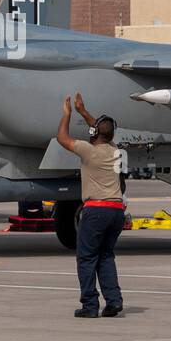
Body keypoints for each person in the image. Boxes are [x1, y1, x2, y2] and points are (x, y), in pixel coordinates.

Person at [57, 91, 125, 318]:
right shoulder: (116, 151)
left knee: (86, 258)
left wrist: (67, 114)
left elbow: (62, 138)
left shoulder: (89, 151)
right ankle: (114, 301)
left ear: (94, 133)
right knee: (105, 256)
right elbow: (101, 131)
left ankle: (90, 305)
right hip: (116, 212)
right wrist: (83, 112)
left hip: (96, 211)